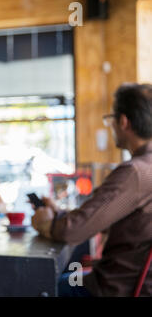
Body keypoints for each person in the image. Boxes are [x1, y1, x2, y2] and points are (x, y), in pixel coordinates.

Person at [31, 83, 152, 297]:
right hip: (135, 283)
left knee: (41, 286)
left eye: (111, 119)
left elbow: (74, 230)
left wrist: (45, 223)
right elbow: (98, 218)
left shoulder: (136, 172)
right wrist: (59, 214)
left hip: (118, 288)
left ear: (123, 122)